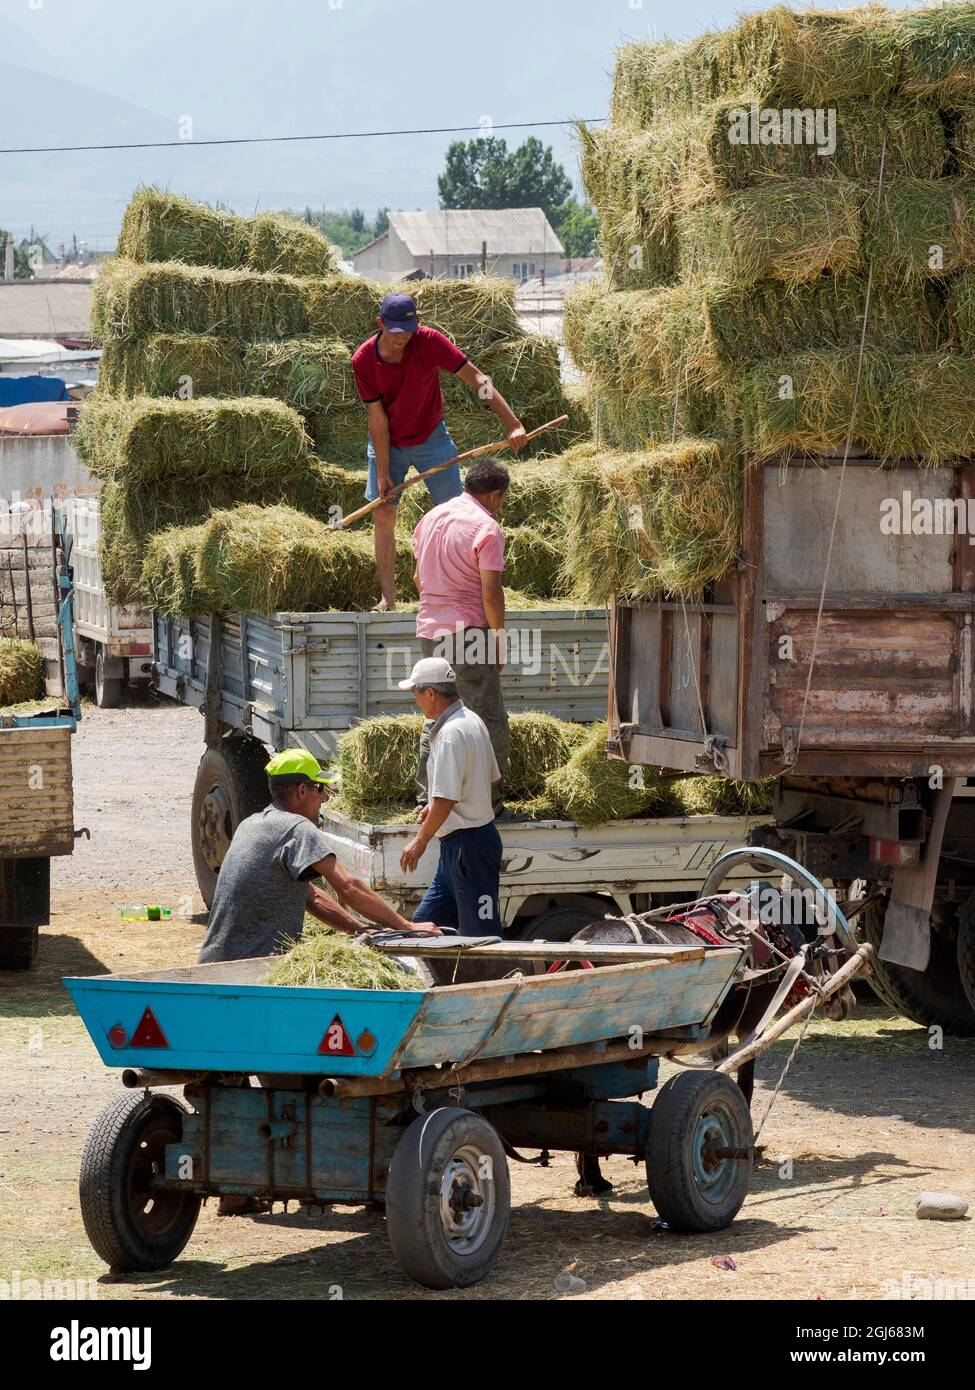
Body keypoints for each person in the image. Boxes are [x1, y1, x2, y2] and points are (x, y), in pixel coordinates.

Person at [351, 291, 527, 611]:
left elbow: (478, 379)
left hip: (432, 439)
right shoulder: (363, 360)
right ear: (380, 324)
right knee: (384, 513)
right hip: (388, 443)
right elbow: (377, 419)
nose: (403, 337)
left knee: (457, 515)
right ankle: (387, 599)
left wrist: (512, 423)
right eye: (395, 331)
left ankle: (460, 593)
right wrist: (383, 474)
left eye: (408, 330)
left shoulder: (429, 341)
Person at [198, 749, 438, 965]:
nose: (323, 799)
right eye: (320, 789)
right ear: (303, 790)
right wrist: (407, 927)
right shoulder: (297, 827)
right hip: (250, 970)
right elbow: (348, 886)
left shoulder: (251, 824)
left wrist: (359, 930)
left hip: (213, 963)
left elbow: (311, 897)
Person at [411, 456, 511, 804]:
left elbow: (417, 580)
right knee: (486, 716)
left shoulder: (430, 518)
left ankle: (428, 800)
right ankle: (489, 804)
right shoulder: (487, 528)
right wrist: (498, 639)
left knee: (437, 716)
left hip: (429, 631)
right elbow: (491, 593)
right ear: (495, 495)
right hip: (468, 634)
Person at [398, 657, 503, 937]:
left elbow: (447, 798)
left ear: (430, 693)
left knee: (481, 935)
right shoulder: (473, 720)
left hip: (469, 848)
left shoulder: (449, 734)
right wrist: (434, 806)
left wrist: (419, 842)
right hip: (461, 846)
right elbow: (492, 778)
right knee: (422, 927)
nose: (416, 701)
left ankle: (494, 980)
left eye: (416, 693)